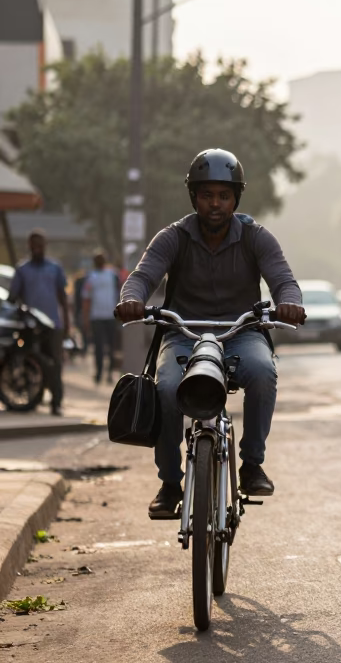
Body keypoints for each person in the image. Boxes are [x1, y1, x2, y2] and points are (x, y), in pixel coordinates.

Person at [116, 149, 306, 518]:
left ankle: (251, 464)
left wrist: (290, 303)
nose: (215, 204)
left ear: (236, 198)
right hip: (183, 334)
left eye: (223, 195)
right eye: (207, 195)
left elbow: (284, 280)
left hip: (241, 333)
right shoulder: (173, 237)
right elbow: (142, 277)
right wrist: (131, 299)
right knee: (167, 388)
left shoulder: (256, 237)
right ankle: (170, 483)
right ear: (194, 197)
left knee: (263, 371)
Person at [8, 230, 70, 416]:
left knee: (54, 364)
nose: (37, 249)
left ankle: (56, 402)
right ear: (29, 246)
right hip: (30, 326)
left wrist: (67, 323)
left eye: (40, 245)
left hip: (52, 325)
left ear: (45, 246)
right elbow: (13, 297)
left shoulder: (55, 268)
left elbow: (62, 297)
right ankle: (32, 399)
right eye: (34, 245)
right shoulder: (22, 269)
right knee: (31, 361)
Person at [81, 252, 121, 384]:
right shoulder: (91, 277)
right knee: (98, 347)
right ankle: (99, 373)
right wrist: (86, 318)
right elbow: (86, 299)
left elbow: (119, 293)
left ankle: (109, 373)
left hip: (110, 315)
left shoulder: (112, 275)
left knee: (110, 346)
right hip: (96, 316)